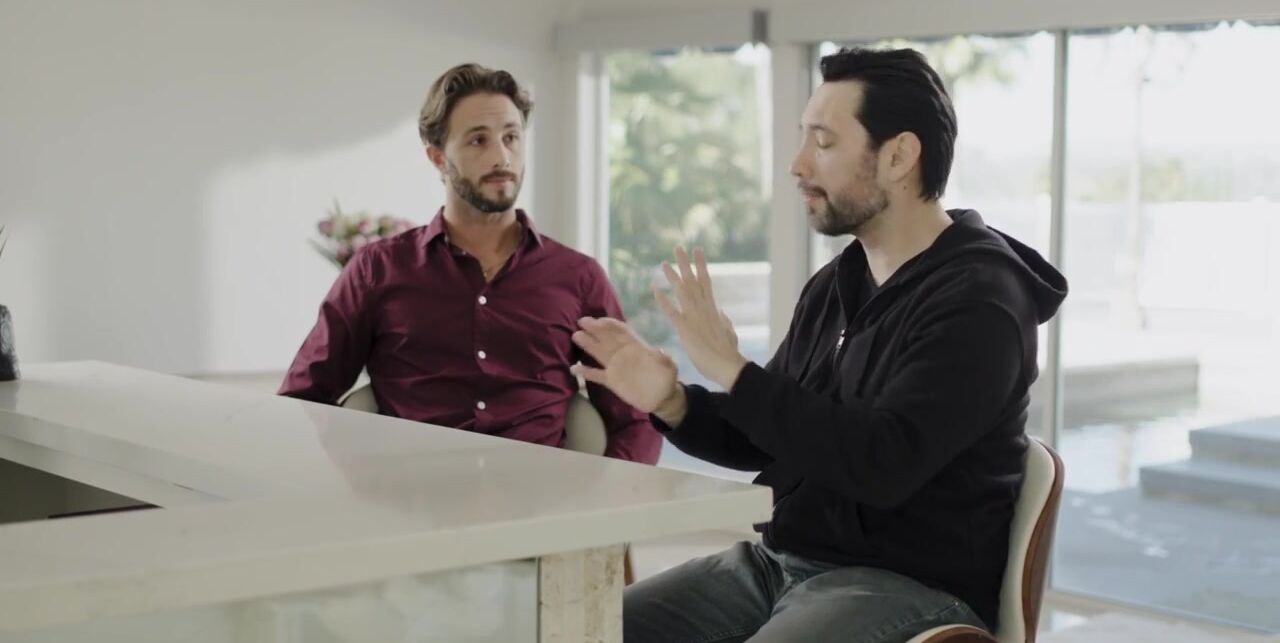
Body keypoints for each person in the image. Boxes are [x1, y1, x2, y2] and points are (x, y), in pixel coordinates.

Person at [570, 47, 1068, 641]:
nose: (798, 164)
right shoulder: (838, 283)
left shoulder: (981, 301)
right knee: (586, 630)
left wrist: (734, 369)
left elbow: (882, 466)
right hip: (777, 566)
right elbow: (771, 434)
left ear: (899, 156)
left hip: (907, 584)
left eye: (824, 143)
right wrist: (672, 400)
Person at [281, 63, 661, 464]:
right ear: (438, 158)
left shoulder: (578, 278)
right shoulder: (378, 269)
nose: (502, 156)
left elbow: (634, 416)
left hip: (541, 494)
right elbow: (303, 399)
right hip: (408, 492)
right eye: (478, 140)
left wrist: (614, 495)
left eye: (511, 137)